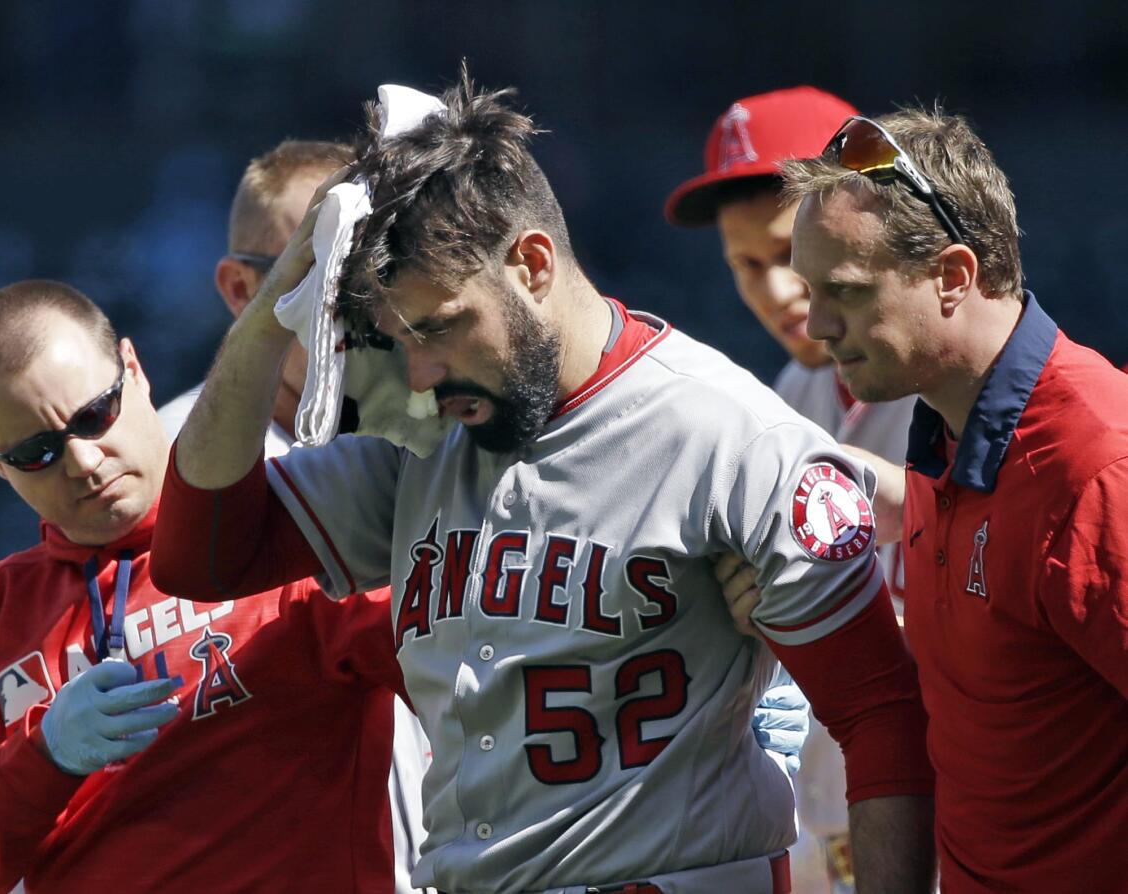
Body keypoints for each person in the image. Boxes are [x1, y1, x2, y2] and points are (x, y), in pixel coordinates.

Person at [151, 74, 937, 894]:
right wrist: (281, 289)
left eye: (443, 325)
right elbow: (200, 556)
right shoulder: (428, 434)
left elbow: (880, 719)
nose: (419, 369)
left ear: (530, 265)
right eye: (402, 336)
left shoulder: (726, 431)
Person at [0, 281, 406, 893]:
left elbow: (469, 674)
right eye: (36, 452)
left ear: (134, 370)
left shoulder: (288, 528)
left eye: (93, 415)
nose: (84, 463)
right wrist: (45, 755)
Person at [782, 109, 1128, 892]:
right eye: (810, 288)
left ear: (953, 276)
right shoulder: (950, 438)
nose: (816, 323)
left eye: (844, 290)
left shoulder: (1094, 463)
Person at [156, 138, 436, 893]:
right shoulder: (166, 475)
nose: (354, 305)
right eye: (317, 273)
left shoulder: (439, 424)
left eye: (374, 268)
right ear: (242, 289)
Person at [664, 86, 919, 894]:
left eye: (787, 256)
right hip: (833, 837)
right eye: (748, 266)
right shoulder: (787, 398)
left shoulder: (949, 390)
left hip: (963, 827)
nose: (776, 294)